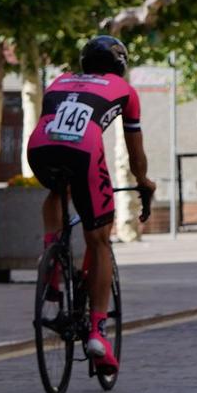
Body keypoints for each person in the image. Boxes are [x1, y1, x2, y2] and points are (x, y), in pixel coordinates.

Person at [26, 35, 152, 374]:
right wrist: (144, 181)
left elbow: (53, 121)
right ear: (121, 65)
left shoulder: (60, 80)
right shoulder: (124, 90)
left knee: (56, 190)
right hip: (83, 152)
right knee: (99, 240)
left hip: (39, 147)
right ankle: (97, 330)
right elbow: (134, 150)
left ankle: (51, 260)